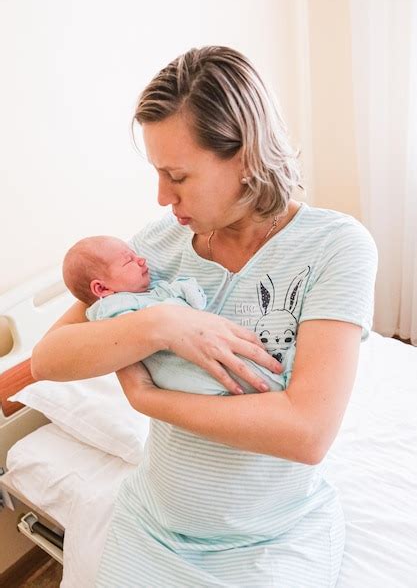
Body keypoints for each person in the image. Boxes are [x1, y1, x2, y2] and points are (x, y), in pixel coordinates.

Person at [32, 46, 378, 587]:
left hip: (272, 539)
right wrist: (160, 325)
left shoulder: (335, 248)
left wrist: (151, 400)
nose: (162, 195)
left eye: (178, 175)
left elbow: (307, 433)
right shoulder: (151, 252)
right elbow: (48, 360)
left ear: (245, 158)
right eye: (157, 173)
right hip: (155, 524)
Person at [62, 234, 290, 394]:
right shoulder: (109, 308)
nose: (141, 260)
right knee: (227, 377)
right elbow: (133, 329)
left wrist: (181, 288)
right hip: (176, 368)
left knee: (251, 362)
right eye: (128, 260)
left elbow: (195, 303)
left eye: (135, 254)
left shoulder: (154, 290)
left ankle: (283, 377)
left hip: (202, 348)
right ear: (102, 289)